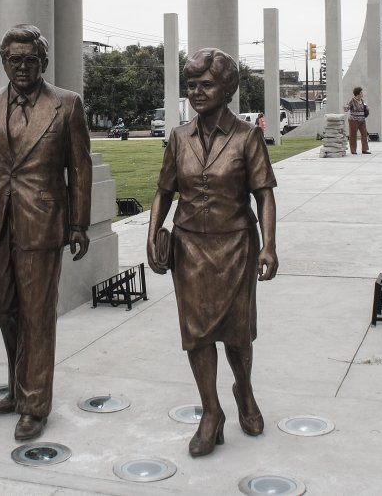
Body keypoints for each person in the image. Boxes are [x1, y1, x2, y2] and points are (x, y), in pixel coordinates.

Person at [0, 24, 92, 442]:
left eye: (30, 60)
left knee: (38, 317)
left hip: (44, 221)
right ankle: (19, 390)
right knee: (6, 309)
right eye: (14, 60)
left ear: (44, 63)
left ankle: (36, 405)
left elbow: (80, 169)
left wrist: (79, 224)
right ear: (4, 62)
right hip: (0, 221)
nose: (21, 67)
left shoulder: (66, 105)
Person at [146, 48, 279, 458]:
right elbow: (164, 191)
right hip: (189, 248)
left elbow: (264, 196)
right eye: (192, 86)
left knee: (238, 334)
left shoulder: (247, 136)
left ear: (226, 89)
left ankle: (245, 390)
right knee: (197, 334)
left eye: (206, 85)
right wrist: (153, 236)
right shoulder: (179, 137)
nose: (197, 93)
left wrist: (269, 246)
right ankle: (211, 412)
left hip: (236, 245)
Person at [343, 86, 371, 154]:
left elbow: (364, 109)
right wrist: (346, 107)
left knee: (364, 134)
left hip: (362, 121)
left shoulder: (362, 101)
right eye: (361, 92)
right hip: (353, 121)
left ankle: (365, 149)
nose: (362, 93)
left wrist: (367, 109)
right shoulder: (352, 101)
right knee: (353, 135)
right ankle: (353, 150)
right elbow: (347, 109)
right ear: (358, 93)